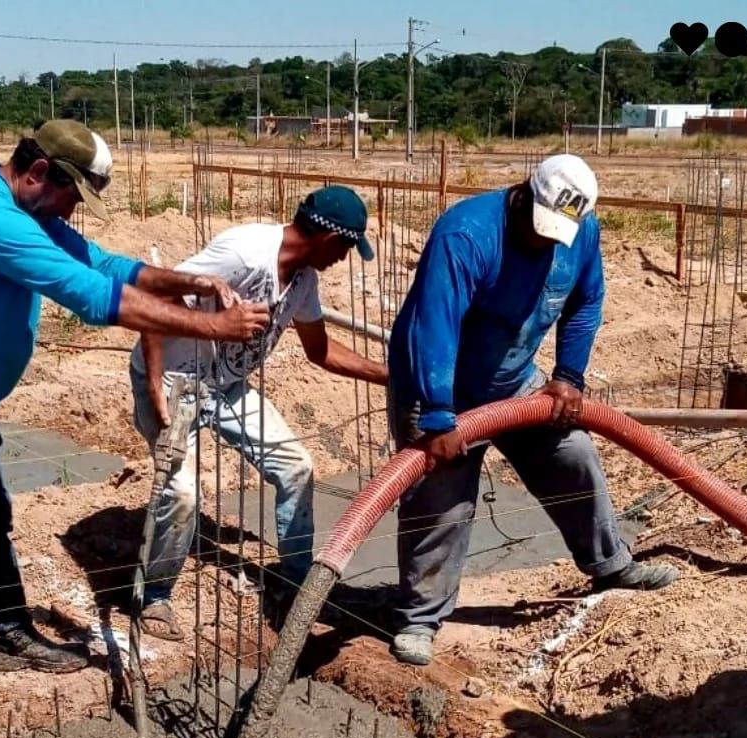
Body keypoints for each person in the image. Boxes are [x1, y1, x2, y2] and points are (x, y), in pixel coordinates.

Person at [0, 119, 270, 738]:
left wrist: (185, 283)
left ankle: (7, 633)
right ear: (39, 173)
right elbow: (90, 295)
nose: (73, 209)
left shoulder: (29, 215)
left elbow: (106, 265)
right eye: (72, 194)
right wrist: (212, 325)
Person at [387, 154, 678, 667]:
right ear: (524, 194)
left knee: (574, 457)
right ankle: (420, 616)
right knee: (441, 500)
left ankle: (609, 564)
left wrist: (568, 376)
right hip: (438, 387)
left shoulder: (580, 233)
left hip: (516, 381)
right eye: (539, 228)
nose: (545, 241)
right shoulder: (467, 234)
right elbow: (433, 323)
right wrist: (435, 415)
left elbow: (586, 301)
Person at [130, 185, 388, 640]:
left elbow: (320, 350)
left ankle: (294, 579)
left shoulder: (304, 281)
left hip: (226, 386)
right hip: (173, 382)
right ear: (330, 239)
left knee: (296, 467)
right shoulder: (245, 253)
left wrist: (390, 376)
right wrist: (153, 385)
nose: (345, 259)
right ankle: (155, 597)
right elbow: (155, 295)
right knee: (183, 493)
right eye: (347, 248)